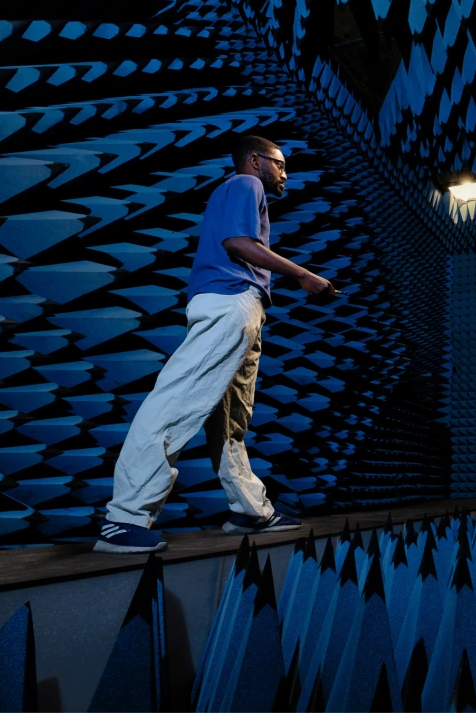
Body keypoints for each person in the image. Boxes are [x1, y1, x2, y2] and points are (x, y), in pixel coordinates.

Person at [95, 135, 335, 553]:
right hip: (230, 302)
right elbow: (239, 243)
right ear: (256, 161)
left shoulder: (237, 189)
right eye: (280, 164)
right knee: (174, 405)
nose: (285, 174)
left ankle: (248, 510)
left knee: (230, 423)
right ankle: (125, 517)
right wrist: (303, 275)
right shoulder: (247, 184)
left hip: (242, 306)